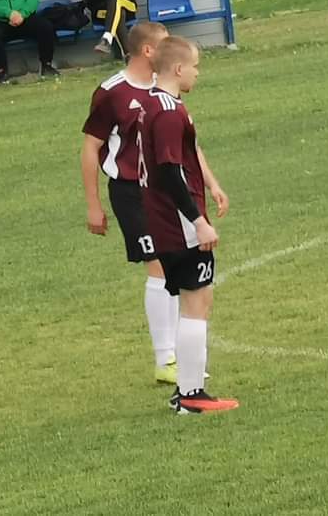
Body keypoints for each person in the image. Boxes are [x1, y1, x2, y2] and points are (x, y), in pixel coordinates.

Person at [81, 22, 230, 385]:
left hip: (166, 193)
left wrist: (211, 183)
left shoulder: (164, 94)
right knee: (159, 267)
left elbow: (186, 146)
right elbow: (90, 147)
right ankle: (166, 358)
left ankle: (180, 358)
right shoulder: (112, 93)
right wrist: (93, 204)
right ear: (149, 51)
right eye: (166, 44)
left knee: (176, 272)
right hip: (132, 191)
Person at [138, 36, 237, 414]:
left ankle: (188, 391)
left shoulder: (157, 104)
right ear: (178, 69)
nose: (197, 73)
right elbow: (168, 172)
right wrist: (198, 221)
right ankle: (191, 394)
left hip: (169, 220)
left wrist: (211, 186)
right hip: (177, 222)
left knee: (198, 300)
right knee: (197, 301)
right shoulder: (167, 111)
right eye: (195, 66)